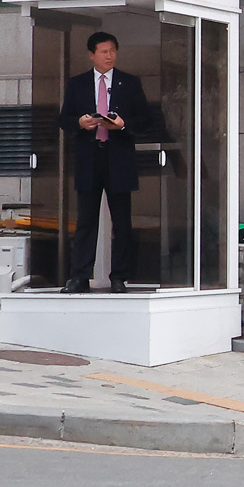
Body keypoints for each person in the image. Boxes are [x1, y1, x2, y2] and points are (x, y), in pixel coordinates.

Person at [57, 31, 153, 294]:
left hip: (118, 157)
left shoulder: (129, 83)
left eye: (113, 51)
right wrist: (80, 122)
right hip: (89, 158)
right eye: (104, 51)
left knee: (121, 221)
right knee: (86, 220)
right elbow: (64, 119)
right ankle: (79, 276)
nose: (109, 56)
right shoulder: (78, 84)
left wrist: (122, 125)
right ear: (92, 55)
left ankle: (119, 276)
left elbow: (146, 120)